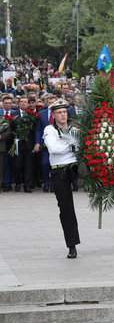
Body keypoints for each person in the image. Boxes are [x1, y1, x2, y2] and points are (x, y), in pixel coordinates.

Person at [43, 99, 81, 258]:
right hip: (59, 171)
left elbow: (81, 145)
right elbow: (54, 149)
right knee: (66, 209)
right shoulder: (49, 129)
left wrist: (68, 145)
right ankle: (72, 245)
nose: (63, 115)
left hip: (75, 167)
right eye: (59, 112)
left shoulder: (75, 129)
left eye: (64, 112)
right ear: (53, 115)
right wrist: (71, 145)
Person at [11, 96, 37, 192]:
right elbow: (11, 128)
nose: (23, 103)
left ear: (28, 103)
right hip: (17, 143)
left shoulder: (32, 114)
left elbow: (35, 129)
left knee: (28, 166)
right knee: (17, 165)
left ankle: (27, 185)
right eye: (21, 102)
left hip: (29, 144)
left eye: (25, 102)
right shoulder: (14, 114)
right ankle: (18, 183)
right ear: (18, 103)